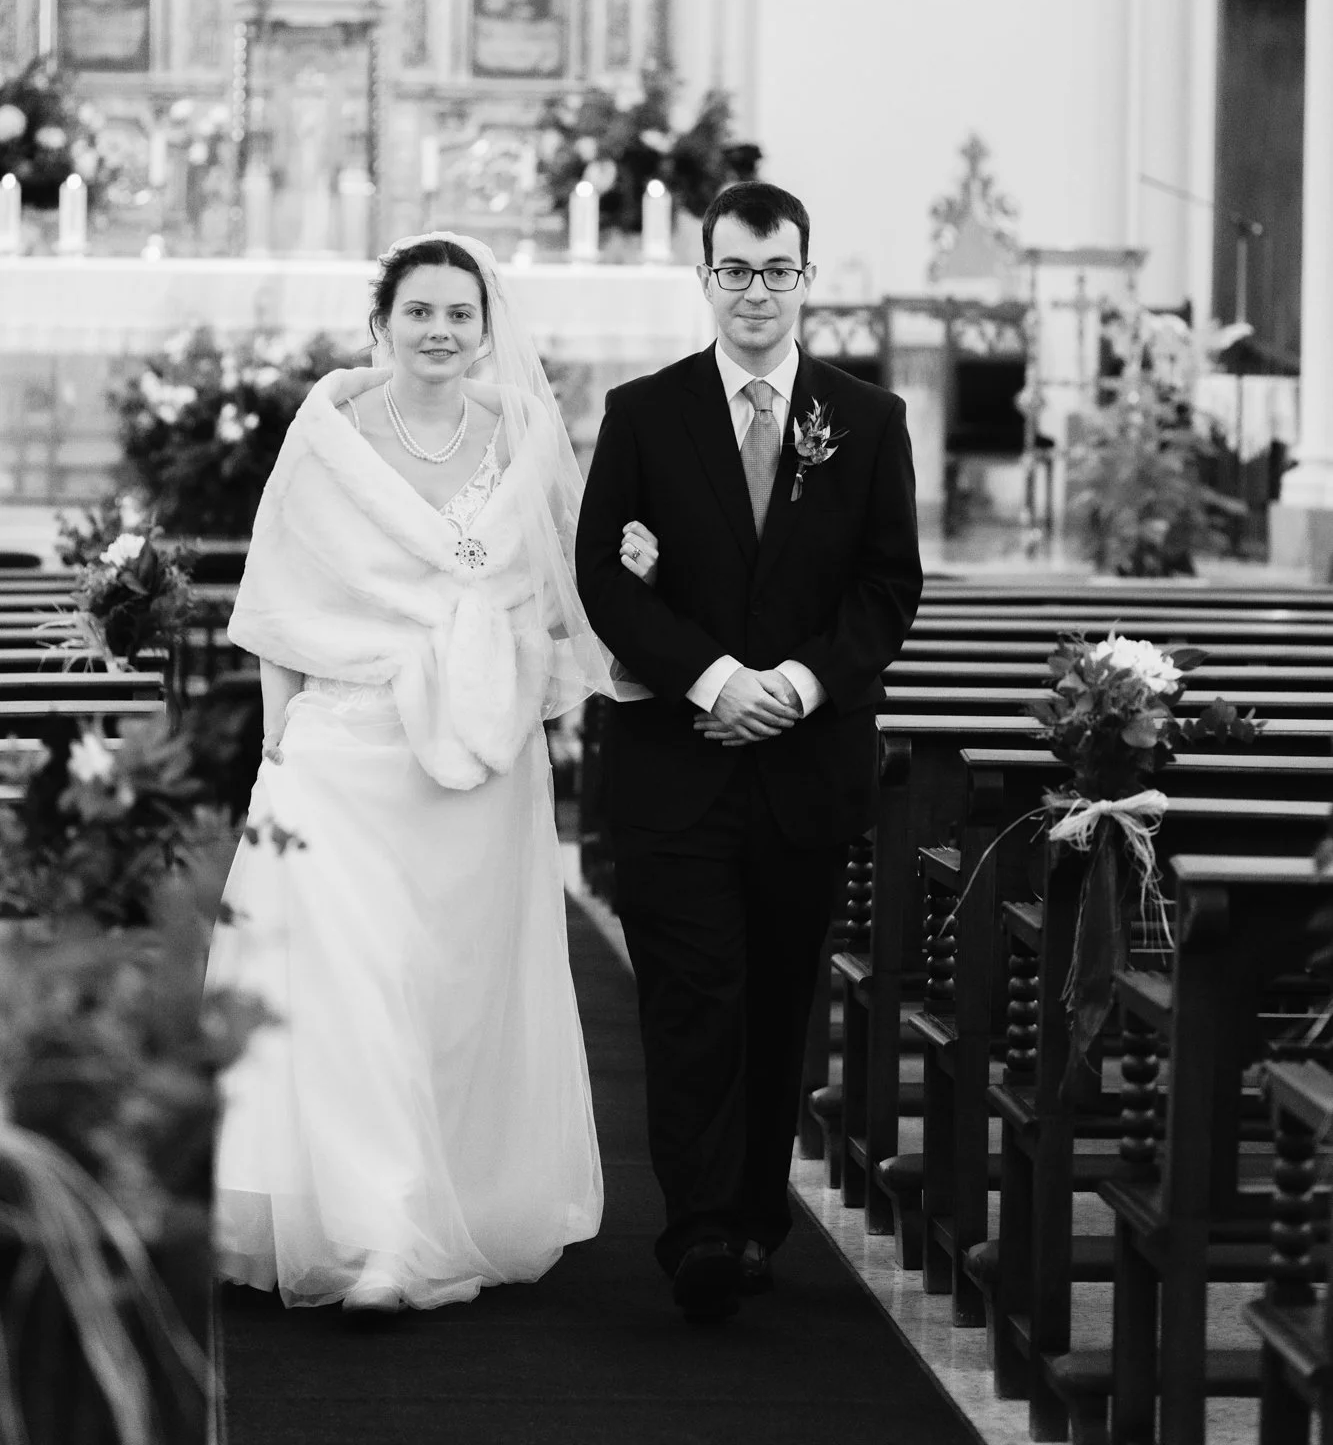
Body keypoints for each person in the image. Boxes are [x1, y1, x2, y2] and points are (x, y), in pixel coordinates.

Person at [206, 232, 613, 1312]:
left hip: (475, 747)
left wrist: (528, 701)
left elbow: (548, 590)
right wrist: (275, 736)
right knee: (348, 979)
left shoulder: (522, 436)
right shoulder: (329, 435)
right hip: (346, 738)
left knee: (453, 984)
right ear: (381, 321)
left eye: (460, 312)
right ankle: (373, 1229)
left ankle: (453, 1193)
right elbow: (280, 591)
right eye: (419, 310)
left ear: (487, 329)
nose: (440, 329)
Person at [575, 181, 922, 1323]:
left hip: (803, 766)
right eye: (735, 270)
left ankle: (757, 1213)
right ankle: (699, 1227)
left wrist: (798, 685)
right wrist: (718, 679)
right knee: (688, 998)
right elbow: (600, 579)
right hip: (675, 761)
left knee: (777, 1001)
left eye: (778, 271)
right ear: (706, 278)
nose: (757, 292)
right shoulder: (643, 411)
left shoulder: (867, 420)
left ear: (807, 276)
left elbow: (886, 586)